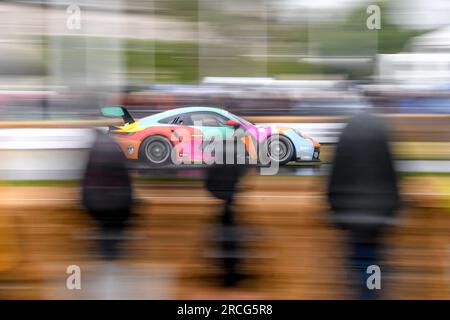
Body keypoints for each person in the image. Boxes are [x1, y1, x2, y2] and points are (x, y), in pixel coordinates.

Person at [327, 112, 400, 299]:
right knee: (373, 265)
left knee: (356, 265)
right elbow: (392, 175)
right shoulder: (381, 133)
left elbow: (335, 176)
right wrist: (393, 210)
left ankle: (362, 292)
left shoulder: (346, 133)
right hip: (378, 218)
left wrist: (335, 210)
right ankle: (370, 293)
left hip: (351, 217)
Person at [81, 129, 134, 260]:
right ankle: (110, 249)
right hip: (116, 200)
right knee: (115, 221)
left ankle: (107, 249)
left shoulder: (96, 149)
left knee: (106, 222)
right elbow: (124, 178)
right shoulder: (113, 147)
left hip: (97, 200)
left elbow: (88, 178)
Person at [205, 163, 248, 287]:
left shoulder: (221, 163)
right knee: (229, 234)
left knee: (227, 233)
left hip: (226, 200)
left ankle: (228, 268)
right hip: (227, 202)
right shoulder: (230, 163)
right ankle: (230, 268)